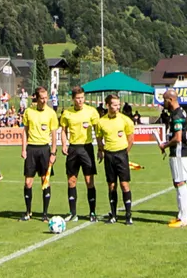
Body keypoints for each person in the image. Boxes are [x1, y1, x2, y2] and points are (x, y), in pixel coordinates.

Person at [59, 86, 100, 222]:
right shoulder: (67, 113)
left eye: (82, 98)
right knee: (71, 181)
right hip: (73, 149)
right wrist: (64, 144)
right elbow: (63, 130)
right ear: (73, 99)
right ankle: (73, 213)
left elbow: (97, 130)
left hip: (87, 148)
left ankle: (92, 212)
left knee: (89, 181)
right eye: (77, 98)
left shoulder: (91, 112)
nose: (80, 100)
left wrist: (100, 147)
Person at [20, 87, 59, 221]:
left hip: (44, 150)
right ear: (36, 98)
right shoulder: (28, 112)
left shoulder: (51, 113)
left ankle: (45, 214)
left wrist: (53, 152)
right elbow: (25, 131)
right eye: (41, 98)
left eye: (45, 97)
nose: (44, 100)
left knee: (45, 181)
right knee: (28, 182)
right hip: (31, 149)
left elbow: (54, 135)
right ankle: (28, 212)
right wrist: (23, 149)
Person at [95, 94, 135, 224]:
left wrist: (125, 153)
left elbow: (130, 138)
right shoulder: (101, 122)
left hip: (121, 154)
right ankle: (113, 214)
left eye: (119, 104)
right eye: (115, 105)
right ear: (108, 105)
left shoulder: (125, 120)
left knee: (124, 184)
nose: (118, 107)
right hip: (109, 155)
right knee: (111, 185)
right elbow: (99, 137)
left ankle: (128, 215)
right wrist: (101, 150)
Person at [158, 89, 187, 228]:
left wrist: (165, 144)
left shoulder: (177, 114)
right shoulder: (179, 112)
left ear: (170, 100)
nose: (163, 103)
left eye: (164, 100)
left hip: (179, 153)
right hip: (177, 153)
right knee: (177, 182)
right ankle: (180, 215)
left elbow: (178, 138)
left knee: (180, 183)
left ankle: (184, 218)